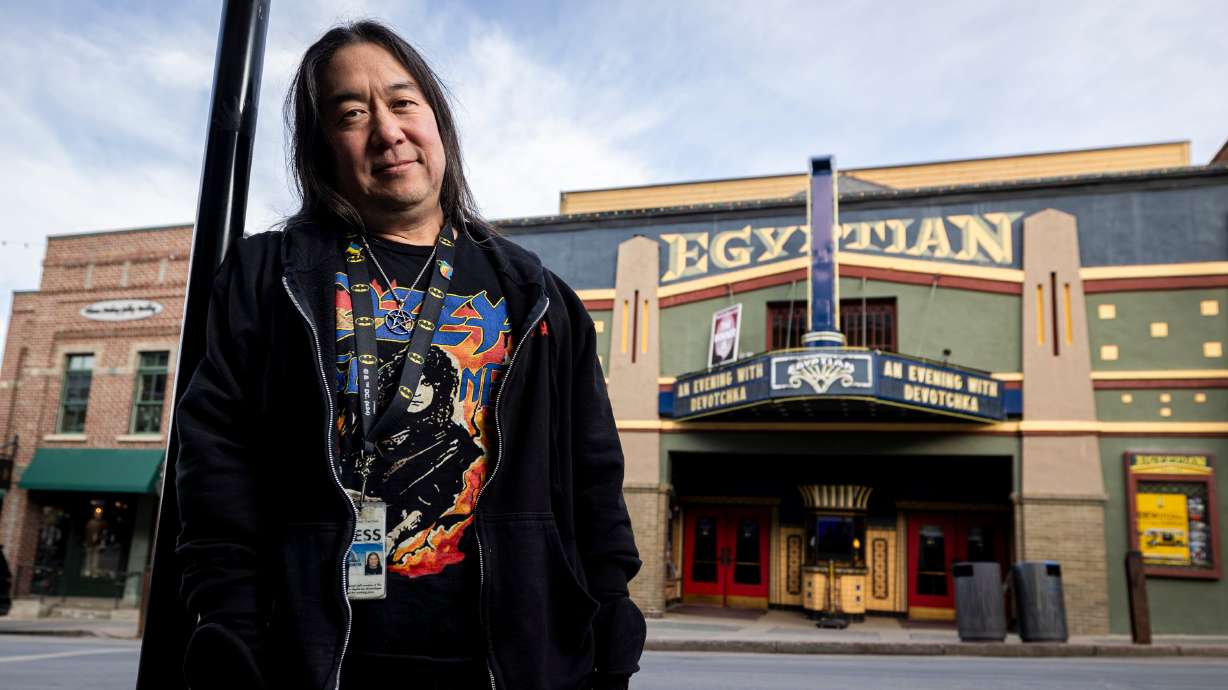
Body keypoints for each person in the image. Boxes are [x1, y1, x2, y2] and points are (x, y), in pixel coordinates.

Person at [174, 19, 645, 690]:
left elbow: (593, 469)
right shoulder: (268, 278)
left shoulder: (539, 295)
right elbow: (216, 458)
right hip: (314, 658)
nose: (387, 131)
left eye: (402, 103)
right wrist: (229, 620)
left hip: (510, 662)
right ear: (321, 147)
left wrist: (612, 610)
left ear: (437, 122)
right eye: (351, 114)